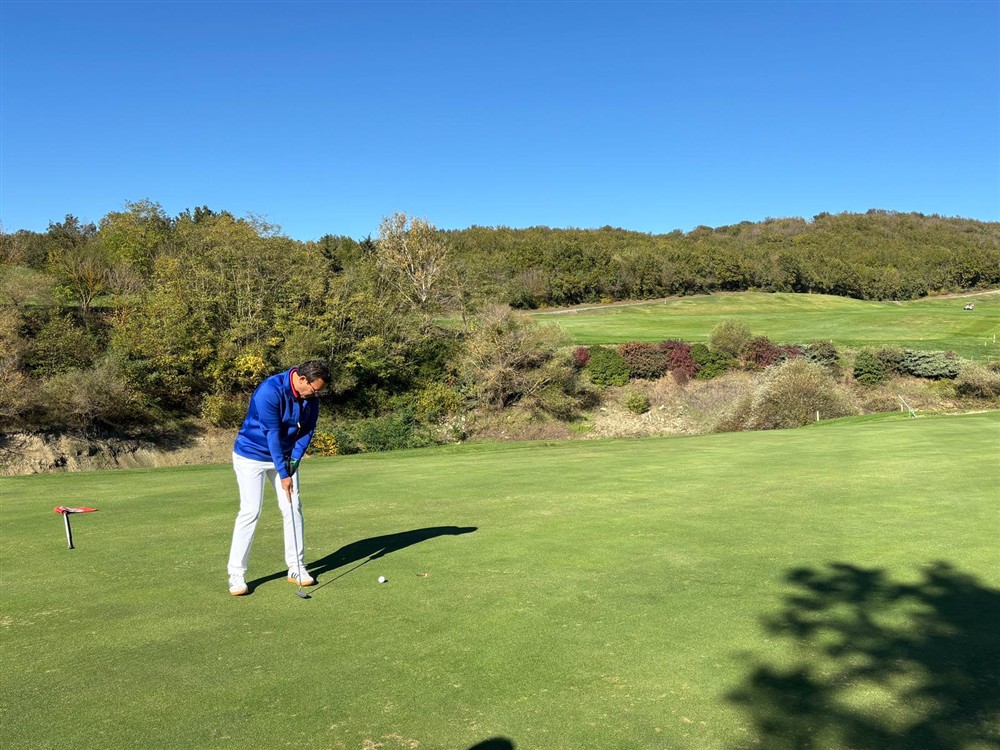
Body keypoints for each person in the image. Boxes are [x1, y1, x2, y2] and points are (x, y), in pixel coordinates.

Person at [227, 360, 331, 596]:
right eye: (314, 390)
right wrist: (284, 474)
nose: (316, 395)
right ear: (302, 379)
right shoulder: (269, 391)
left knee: (293, 506)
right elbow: (272, 434)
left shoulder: (311, 397)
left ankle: (296, 567)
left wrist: (294, 461)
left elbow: (308, 429)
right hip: (251, 455)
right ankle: (236, 574)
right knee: (251, 511)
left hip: (284, 456)